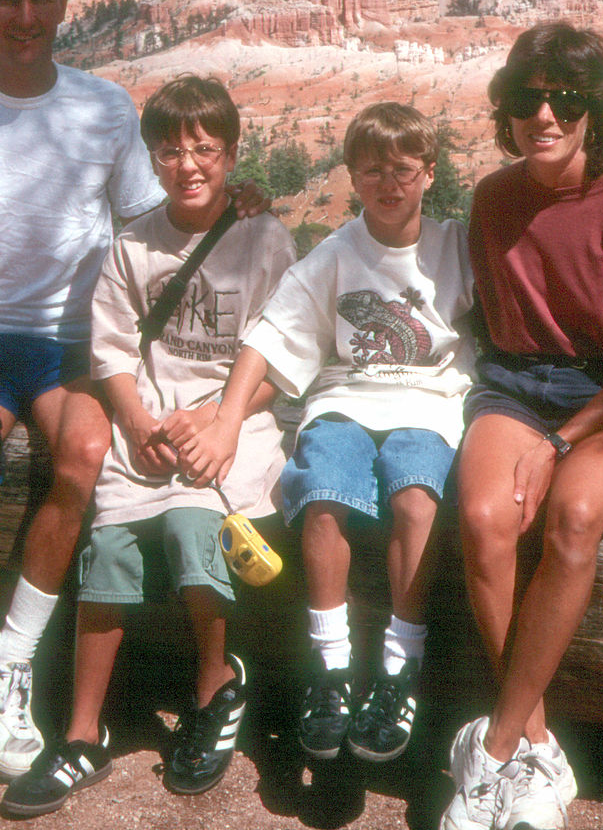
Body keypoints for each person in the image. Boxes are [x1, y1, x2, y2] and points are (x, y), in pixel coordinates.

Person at [0, 0, 264, 782]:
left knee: (88, 450)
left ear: (63, 2)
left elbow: (150, 222)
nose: (25, 14)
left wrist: (229, 205)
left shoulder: (101, 109)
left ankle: (8, 659)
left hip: (72, 338)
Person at [0, 75, 294, 817]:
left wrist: (219, 422)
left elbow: (286, 363)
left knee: (200, 527)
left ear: (231, 154)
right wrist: (132, 422)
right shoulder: (133, 246)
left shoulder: (267, 238)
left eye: (205, 149)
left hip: (235, 422)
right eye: (170, 151)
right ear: (151, 158)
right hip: (151, 425)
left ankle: (214, 684)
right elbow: (115, 353)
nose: (188, 164)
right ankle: (82, 732)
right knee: (110, 545)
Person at [177, 102, 474, 767]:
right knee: (321, 494)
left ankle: (401, 667)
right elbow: (268, 339)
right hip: (344, 399)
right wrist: (225, 423)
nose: (389, 186)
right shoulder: (338, 252)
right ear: (351, 176)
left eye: (403, 170)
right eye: (372, 172)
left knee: (416, 497)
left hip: (429, 405)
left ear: (429, 172)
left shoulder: (455, 246)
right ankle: (330, 666)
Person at [440, 22, 603, 830]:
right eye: (526, 99)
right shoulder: (493, 199)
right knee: (484, 519)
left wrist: (559, 443)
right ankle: (539, 751)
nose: (544, 115)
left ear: (594, 111)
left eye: (566, 99)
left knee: (575, 514)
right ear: (505, 111)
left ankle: (496, 748)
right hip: (512, 386)